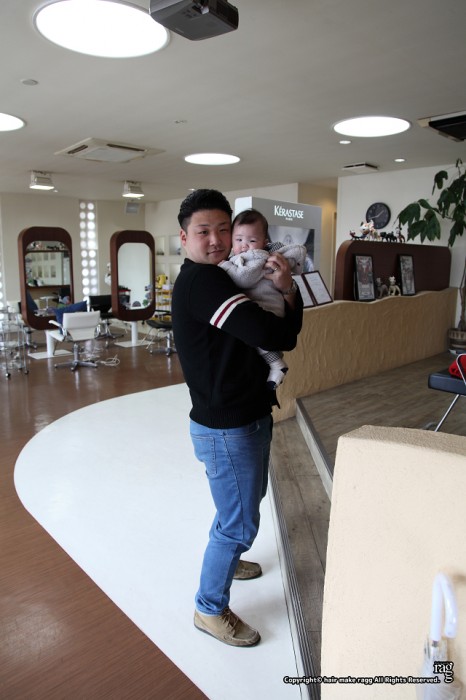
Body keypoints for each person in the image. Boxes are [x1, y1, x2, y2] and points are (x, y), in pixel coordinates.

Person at [171, 189, 303, 647]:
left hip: (241, 415)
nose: (216, 240)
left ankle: (228, 557)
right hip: (227, 427)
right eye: (203, 231)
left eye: (223, 230)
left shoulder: (222, 276)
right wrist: (287, 290)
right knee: (239, 522)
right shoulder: (205, 282)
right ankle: (209, 608)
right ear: (184, 237)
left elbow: (279, 333)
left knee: (240, 509)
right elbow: (278, 334)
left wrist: (286, 294)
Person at [219, 208, 306, 389]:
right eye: (239, 239)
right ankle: (276, 364)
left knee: (257, 335)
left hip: (268, 306)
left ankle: (276, 364)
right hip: (268, 308)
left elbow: (243, 278)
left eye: (252, 240)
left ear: (264, 242)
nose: (244, 246)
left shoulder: (257, 256)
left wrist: (224, 266)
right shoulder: (246, 256)